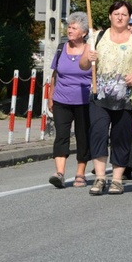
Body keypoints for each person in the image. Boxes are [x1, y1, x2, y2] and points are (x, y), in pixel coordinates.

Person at [80, 1, 132, 195]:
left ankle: (117, 179)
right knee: (98, 134)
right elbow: (83, 65)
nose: (120, 17)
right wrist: (89, 57)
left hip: (125, 98)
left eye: (124, 14)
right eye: (116, 13)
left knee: (120, 138)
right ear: (110, 16)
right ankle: (100, 178)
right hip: (99, 95)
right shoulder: (97, 37)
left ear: (129, 18)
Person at [47, 12, 92, 188]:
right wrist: (51, 97)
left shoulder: (91, 50)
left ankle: (80, 173)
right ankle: (59, 173)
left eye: (74, 28)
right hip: (62, 100)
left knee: (83, 137)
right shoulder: (61, 48)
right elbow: (54, 75)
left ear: (83, 33)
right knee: (61, 136)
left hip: (84, 101)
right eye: (69, 27)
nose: (70, 30)